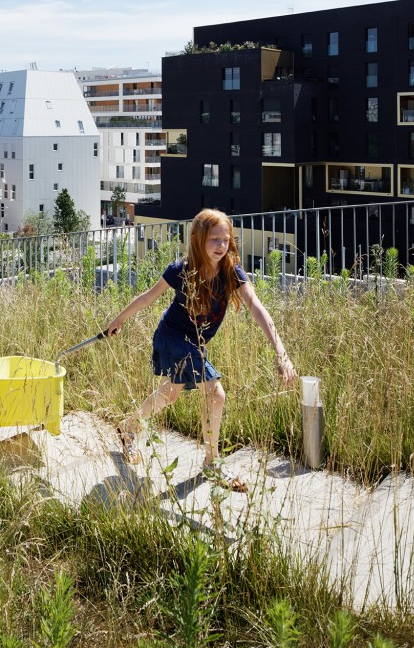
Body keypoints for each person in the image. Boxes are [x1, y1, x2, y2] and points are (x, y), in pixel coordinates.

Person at [105, 209, 297, 492]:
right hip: (171, 336)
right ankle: (212, 462)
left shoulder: (232, 272)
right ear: (198, 240)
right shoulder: (181, 270)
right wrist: (118, 319)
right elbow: (148, 297)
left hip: (194, 343)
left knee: (171, 393)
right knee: (215, 392)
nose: (221, 245)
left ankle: (129, 426)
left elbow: (257, 308)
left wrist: (281, 353)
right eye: (213, 240)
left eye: (225, 239)